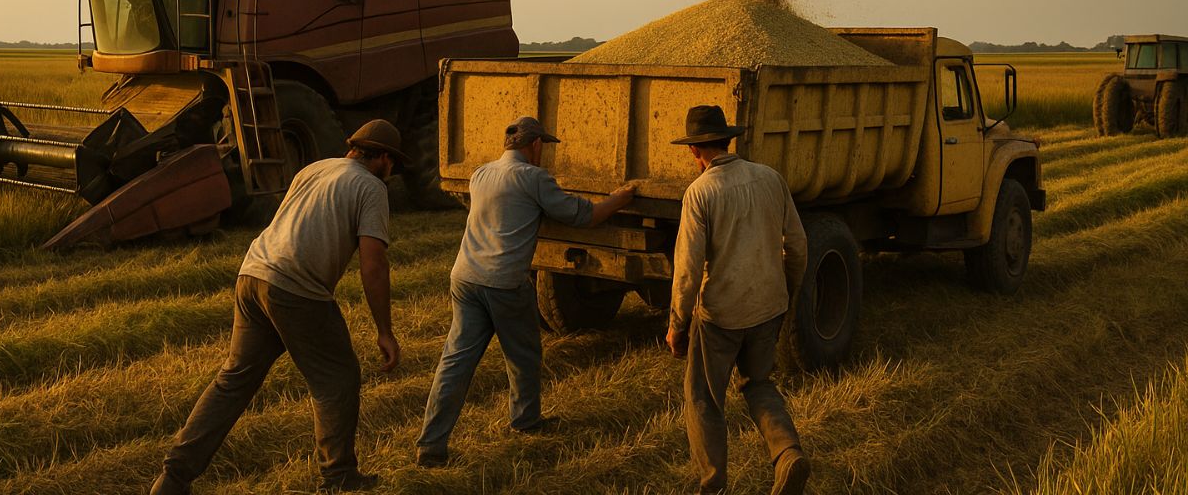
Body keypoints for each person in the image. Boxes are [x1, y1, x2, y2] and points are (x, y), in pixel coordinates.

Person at [150, 119, 408, 495]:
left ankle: (172, 478)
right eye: (393, 164)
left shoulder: (314, 169)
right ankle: (339, 478)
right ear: (383, 158)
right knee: (337, 380)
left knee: (233, 381)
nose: (392, 171)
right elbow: (373, 262)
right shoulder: (371, 187)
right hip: (296, 287)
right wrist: (384, 330)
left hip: (253, 274)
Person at [414, 115, 637, 466]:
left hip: (465, 277)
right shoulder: (533, 177)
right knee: (523, 356)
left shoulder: (481, 173)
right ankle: (526, 420)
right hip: (503, 281)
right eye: (543, 147)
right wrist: (620, 199)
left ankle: (431, 445)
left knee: (455, 362)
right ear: (535, 146)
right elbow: (584, 216)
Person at [665, 105, 810, 495]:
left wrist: (677, 325)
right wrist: (788, 293)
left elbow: (688, 269)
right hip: (769, 304)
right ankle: (787, 453)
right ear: (728, 140)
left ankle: (713, 486)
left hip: (721, 317)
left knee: (704, 399)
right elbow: (796, 244)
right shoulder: (770, 178)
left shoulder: (700, 192)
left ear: (695, 151)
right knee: (759, 383)